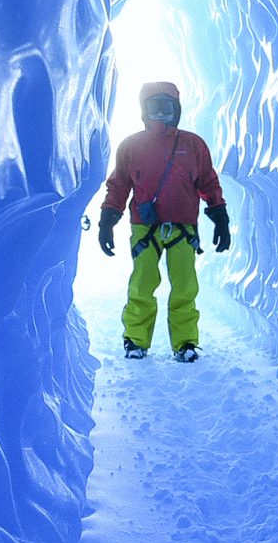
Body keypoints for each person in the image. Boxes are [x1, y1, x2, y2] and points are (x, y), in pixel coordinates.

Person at [95, 82, 231, 362]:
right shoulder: (131, 146)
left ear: (176, 110)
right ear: (143, 112)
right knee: (142, 284)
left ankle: (185, 343)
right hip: (145, 228)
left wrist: (220, 214)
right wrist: (107, 219)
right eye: (153, 108)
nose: (160, 114)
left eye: (165, 107)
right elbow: (119, 185)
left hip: (183, 228)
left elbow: (208, 181)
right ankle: (135, 341)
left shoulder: (193, 145)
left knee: (184, 286)